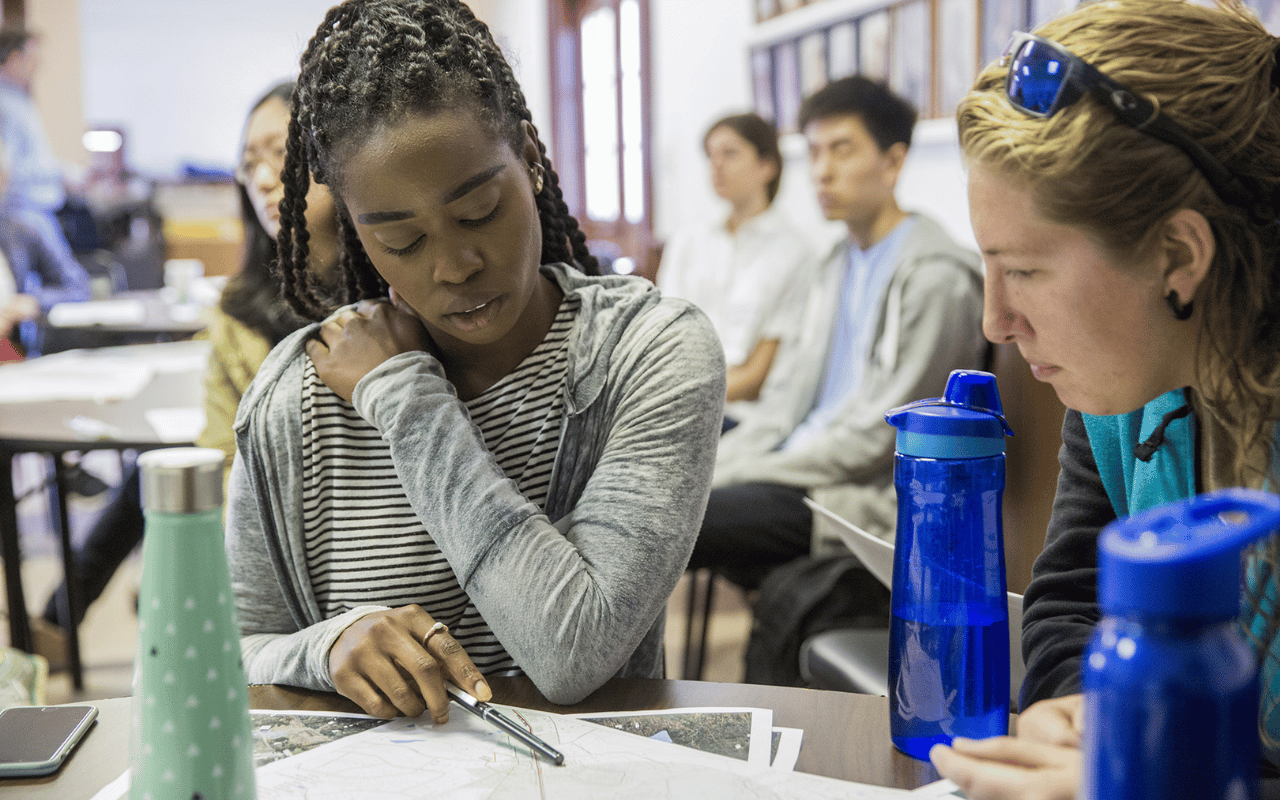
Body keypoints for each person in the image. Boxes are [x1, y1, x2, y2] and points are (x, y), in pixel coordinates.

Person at [224, 0, 724, 721]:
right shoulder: (297, 395)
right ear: (358, 232)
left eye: (479, 211)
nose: (455, 266)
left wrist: (406, 399)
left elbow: (572, 650)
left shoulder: (646, 352)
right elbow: (228, 651)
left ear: (529, 161)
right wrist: (327, 647)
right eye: (401, 240)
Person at [925, 2, 1280, 797]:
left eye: (1023, 270)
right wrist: (1076, 709)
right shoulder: (1124, 381)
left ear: (1178, 254)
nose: (996, 321)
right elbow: (1067, 603)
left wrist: (1159, 770)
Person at [29, 81, 339, 665]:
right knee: (159, 481)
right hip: (274, 577)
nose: (265, 178)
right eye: (249, 165)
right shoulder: (238, 312)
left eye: (280, 151)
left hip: (369, 569)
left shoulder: (393, 293)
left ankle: (60, 614)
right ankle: (62, 618)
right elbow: (226, 465)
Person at [686, 76, 985, 600]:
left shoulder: (937, 279)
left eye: (842, 150)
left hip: (847, 499)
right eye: (815, 152)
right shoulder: (832, 264)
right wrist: (720, 464)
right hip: (800, 463)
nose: (822, 171)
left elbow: (878, 442)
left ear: (893, 162)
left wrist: (738, 471)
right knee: (660, 488)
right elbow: (785, 403)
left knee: (668, 523)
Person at [656, 113, 811, 420]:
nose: (717, 166)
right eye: (711, 155)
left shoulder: (795, 253)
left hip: (738, 413)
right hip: (676, 396)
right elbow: (665, 332)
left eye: (730, 153)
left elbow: (757, 376)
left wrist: (679, 398)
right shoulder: (688, 242)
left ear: (767, 165)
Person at [0, 25, 90, 354]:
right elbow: (7, 166)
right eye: (33, 56)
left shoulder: (19, 100)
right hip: (20, 207)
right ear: (14, 58)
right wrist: (63, 172)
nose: (39, 64)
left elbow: (76, 289)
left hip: (30, 212)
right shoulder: (5, 103)